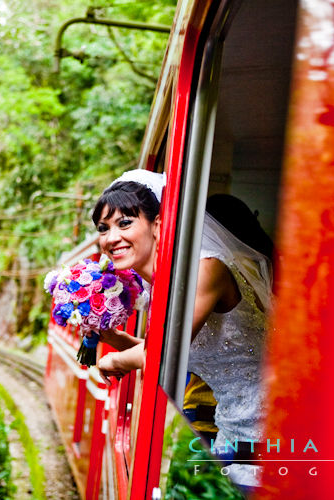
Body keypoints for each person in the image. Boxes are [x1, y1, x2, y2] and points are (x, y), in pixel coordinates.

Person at [93, 169, 273, 490]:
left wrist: (116, 361)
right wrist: (119, 341)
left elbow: (165, 352)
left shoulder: (208, 268)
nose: (110, 238)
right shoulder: (161, 287)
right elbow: (179, 352)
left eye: (124, 223)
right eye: (103, 228)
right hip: (231, 432)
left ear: (159, 225)